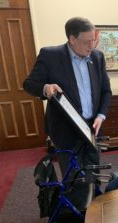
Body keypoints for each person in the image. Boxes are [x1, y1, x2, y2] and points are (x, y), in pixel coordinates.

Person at [23, 17, 112, 209]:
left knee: (94, 172)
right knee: (74, 178)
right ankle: (78, 214)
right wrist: (46, 88)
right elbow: (29, 84)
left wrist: (100, 116)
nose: (92, 45)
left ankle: (95, 211)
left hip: (92, 128)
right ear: (72, 39)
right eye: (87, 41)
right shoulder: (50, 55)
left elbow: (106, 91)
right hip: (65, 129)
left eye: (94, 39)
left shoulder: (97, 57)